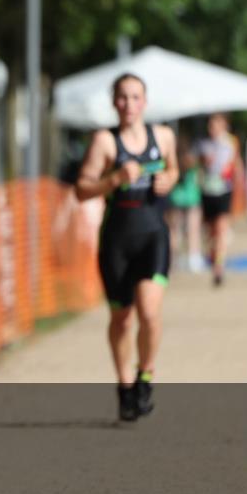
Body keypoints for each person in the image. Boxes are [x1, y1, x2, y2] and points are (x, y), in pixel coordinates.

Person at [75, 73, 178, 422]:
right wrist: (114, 179)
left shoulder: (162, 136)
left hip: (153, 234)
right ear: (114, 102)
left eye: (135, 97)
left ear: (145, 102)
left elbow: (174, 169)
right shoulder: (105, 142)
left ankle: (145, 375)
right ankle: (124, 386)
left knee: (148, 312)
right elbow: (81, 190)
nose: (129, 104)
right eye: (122, 97)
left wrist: (170, 179)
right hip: (117, 238)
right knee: (121, 318)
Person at [196, 113, 242, 287]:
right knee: (211, 232)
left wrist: (239, 193)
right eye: (210, 125)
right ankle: (213, 256)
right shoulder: (203, 144)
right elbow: (197, 164)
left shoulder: (230, 142)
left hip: (224, 190)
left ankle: (218, 268)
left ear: (224, 125)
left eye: (216, 124)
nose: (212, 128)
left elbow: (236, 165)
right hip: (207, 191)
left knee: (221, 229)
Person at [165, 133, 205, 273]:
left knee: (174, 231)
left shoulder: (170, 160)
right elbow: (199, 175)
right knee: (192, 230)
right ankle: (193, 258)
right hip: (191, 199)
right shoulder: (191, 160)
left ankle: (172, 259)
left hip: (175, 199)